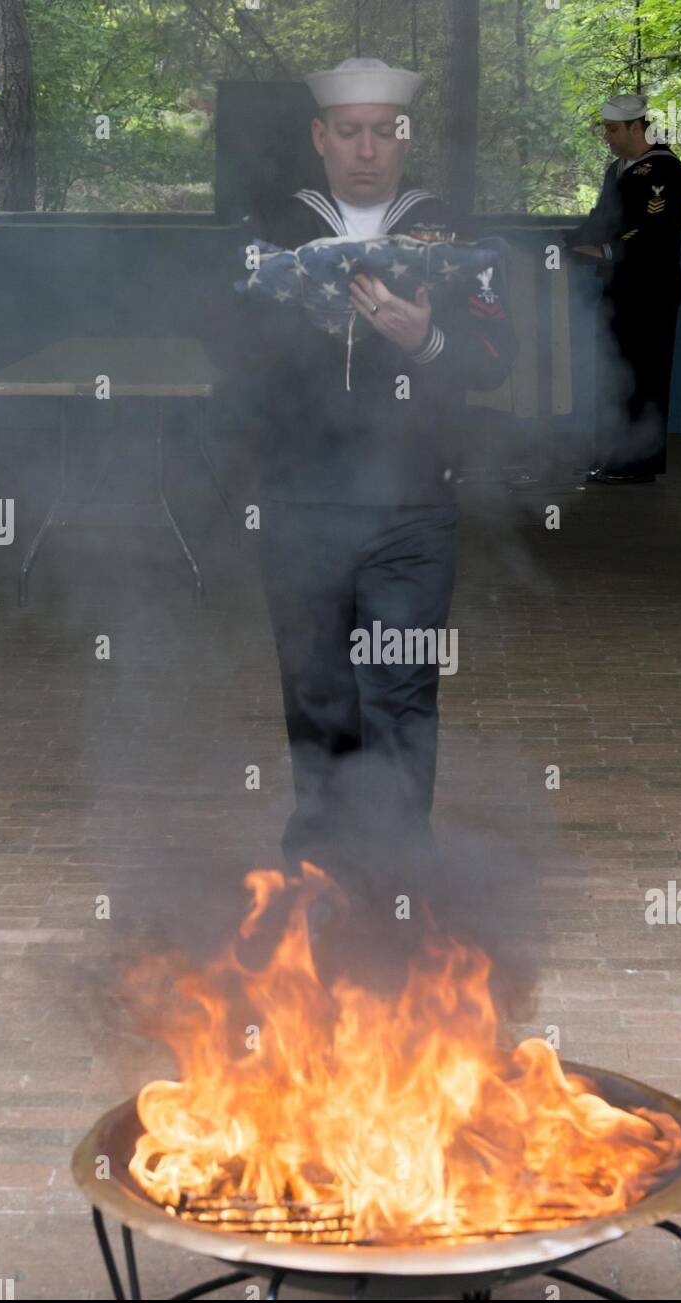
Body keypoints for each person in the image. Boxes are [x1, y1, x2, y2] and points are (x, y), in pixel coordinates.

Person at [239, 58, 517, 895]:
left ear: (404, 136)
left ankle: (399, 881)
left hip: (413, 505)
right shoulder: (266, 232)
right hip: (300, 501)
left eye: (385, 131)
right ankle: (321, 873)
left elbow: (496, 359)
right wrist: (297, 315)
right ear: (321, 138)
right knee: (318, 692)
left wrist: (425, 341)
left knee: (400, 693)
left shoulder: (450, 234)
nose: (368, 149)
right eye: (349, 131)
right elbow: (226, 359)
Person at [564, 94, 681, 484]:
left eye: (613, 129)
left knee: (644, 374)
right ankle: (616, 453)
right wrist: (566, 240)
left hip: (649, 288)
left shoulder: (665, 172)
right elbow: (601, 217)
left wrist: (603, 250)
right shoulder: (617, 168)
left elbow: (653, 231)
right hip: (618, 285)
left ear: (638, 127)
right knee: (618, 373)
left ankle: (639, 460)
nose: (607, 136)